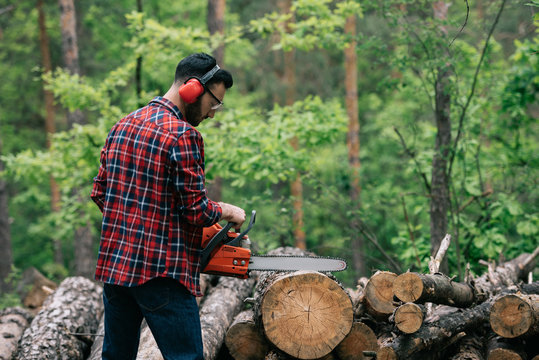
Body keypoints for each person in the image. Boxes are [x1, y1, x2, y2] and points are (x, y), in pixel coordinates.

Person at [91, 52, 245, 360]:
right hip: (162, 276)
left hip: (116, 270)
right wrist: (228, 211)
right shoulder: (183, 135)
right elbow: (196, 211)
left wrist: (142, 223)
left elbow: (100, 193)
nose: (213, 113)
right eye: (213, 103)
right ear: (192, 89)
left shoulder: (122, 125)